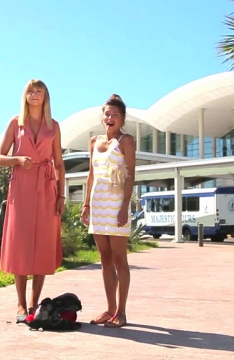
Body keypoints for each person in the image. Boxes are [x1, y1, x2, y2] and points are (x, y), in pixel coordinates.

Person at [0, 79, 66, 323]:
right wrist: (17, 160)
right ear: (25, 96)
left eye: (39, 91)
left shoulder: (53, 126)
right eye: (30, 91)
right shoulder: (16, 123)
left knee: (43, 246)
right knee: (21, 245)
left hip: (46, 188)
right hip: (21, 188)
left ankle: (35, 304)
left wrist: (61, 195)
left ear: (45, 96)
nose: (34, 94)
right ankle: (21, 304)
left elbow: (59, 163)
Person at [81, 94, 136, 328]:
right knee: (104, 259)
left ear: (122, 119)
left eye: (115, 114)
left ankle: (121, 312)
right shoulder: (94, 141)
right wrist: (86, 204)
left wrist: (124, 206)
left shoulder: (126, 141)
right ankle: (110, 309)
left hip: (116, 204)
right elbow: (91, 175)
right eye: (107, 114)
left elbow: (130, 175)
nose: (110, 118)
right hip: (98, 204)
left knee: (119, 258)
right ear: (102, 117)